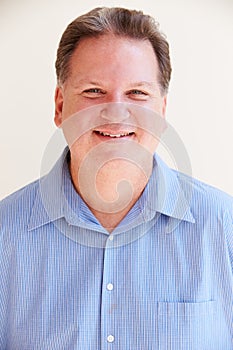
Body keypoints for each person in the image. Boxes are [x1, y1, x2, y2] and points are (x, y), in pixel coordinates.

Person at [0, 7, 232, 349]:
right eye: (94, 91)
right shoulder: (5, 233)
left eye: (138, 93)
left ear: (162, 111)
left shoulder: (225, 227)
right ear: (60, 106)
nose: (116, 111)